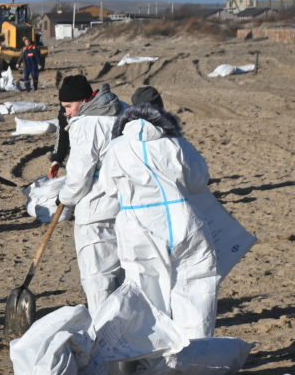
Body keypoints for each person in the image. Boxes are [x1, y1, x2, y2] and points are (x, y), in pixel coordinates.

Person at [96, 102, 218, 337]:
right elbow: (199, 181)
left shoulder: (117, 147)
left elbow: (108, 188)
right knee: (195, 286)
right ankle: (196, 352)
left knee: (146, 292)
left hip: (139, 226)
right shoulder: (177, 143)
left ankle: (154, 355)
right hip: (183, 220)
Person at [56, 75, 126, 313]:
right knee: (124, 271)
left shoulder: (87, 125)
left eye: (69, 106)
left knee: (97, 276)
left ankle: (104, 328)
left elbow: (78, 178)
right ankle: (126, 324)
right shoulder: (122, 110)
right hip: (127, 205)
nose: (66, 113)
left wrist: (64, 198)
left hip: (97, 210)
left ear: (84, 100)